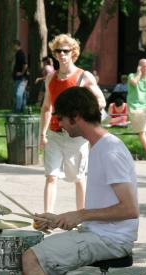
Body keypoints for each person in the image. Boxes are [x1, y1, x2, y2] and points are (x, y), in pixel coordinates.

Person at [1, 86, 139, 275]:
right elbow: (103, 207)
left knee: (32, 258)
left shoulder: (110, 149)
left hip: (112, 239)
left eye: (62, 119)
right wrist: (60, 218)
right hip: (97, 232)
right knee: (27, 256)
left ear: (76, 117)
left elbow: (130, 209)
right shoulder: (96, 147)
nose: (60, 125)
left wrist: (81, 214)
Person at [40, 33, 106, 213]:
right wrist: (42, 133)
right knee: (51, 176)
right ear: (55, 53)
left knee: (78, 177)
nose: (62, 54)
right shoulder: (50, 78)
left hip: (76, 136)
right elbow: (46, 107)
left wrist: (82, 112)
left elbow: (101, 101)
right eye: (59, 50)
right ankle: (47, 217)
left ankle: (82, 217)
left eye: (66, 51)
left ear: (73, 53)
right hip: (54, 133)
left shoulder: (83, 77)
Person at [12, 39, 29, 113]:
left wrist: (21, 73)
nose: (12, 47)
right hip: (19, 78)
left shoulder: (20, 53)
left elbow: (25, 64)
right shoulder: (18, 53)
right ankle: (22, 109)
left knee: (18, 94)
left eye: (13, 45)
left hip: (21, 78)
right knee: (22, 94)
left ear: (16, 45)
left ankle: (18, 110)